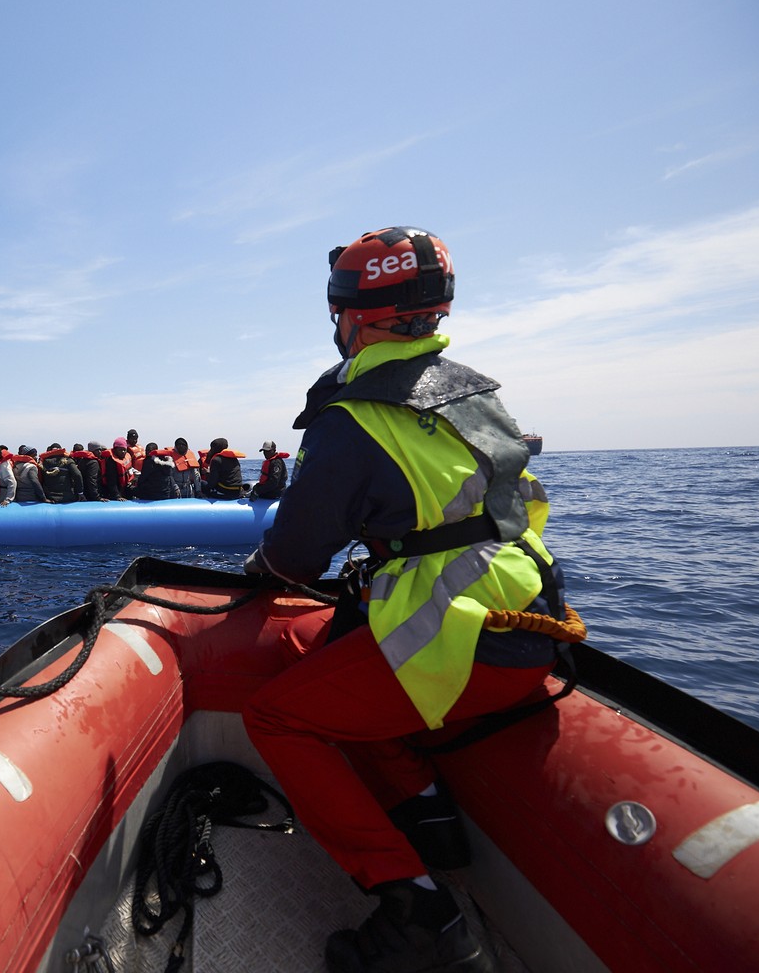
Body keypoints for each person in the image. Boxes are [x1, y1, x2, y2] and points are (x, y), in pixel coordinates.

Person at [240, 226, 566, 973]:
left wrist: (263, 568)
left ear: (352, 318)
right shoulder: (479, 396)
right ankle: (430, 818)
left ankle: (418, 907)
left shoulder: (352, 420)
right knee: (338, 665)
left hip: (461, 645)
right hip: (530, 619)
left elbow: (293, 557)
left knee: (278, 716)